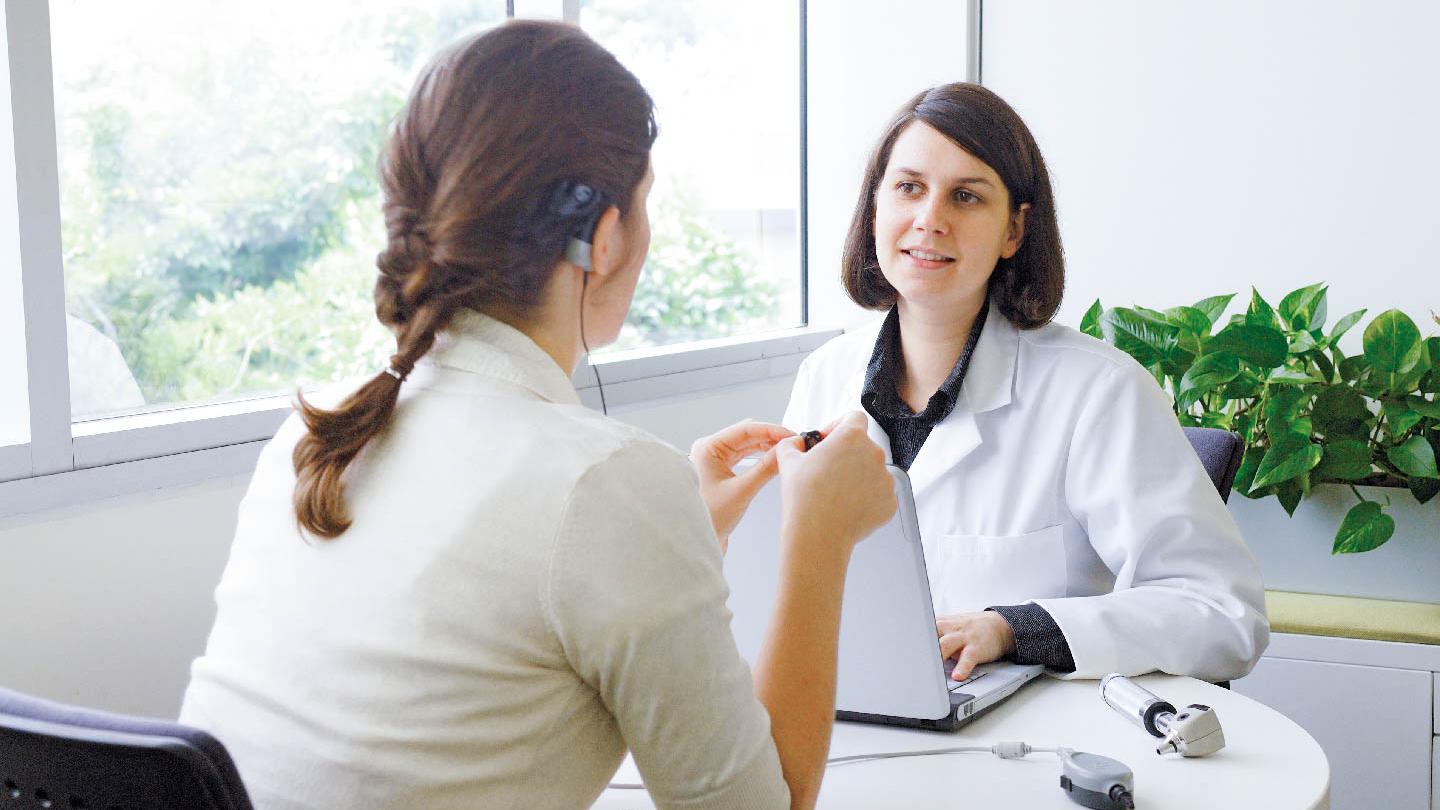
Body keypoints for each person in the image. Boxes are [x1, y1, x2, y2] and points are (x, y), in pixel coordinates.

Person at [179, 21, 895, 810]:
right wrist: (819, 542)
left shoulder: (312, 437)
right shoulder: (606, 484)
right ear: (605, 237)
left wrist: (691, 525)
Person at [783, 82, 1268, 685]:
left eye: (966, 196)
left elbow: (1223, 613)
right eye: (909, 188)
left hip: (1037, 749)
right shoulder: (825, 376)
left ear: (1014, 230)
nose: (930, 219)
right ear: (875, 208)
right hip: (856, 722)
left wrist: (1017, 629)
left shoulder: (1099, 391)